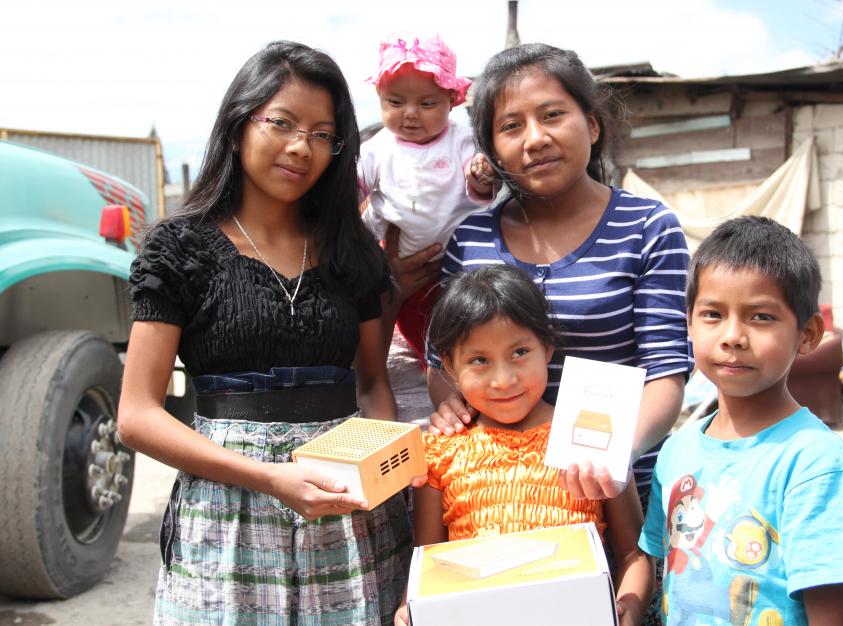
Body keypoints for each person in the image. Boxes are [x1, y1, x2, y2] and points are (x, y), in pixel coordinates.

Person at [117, 41, 414, 625]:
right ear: (237, 126)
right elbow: (137, 415)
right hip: (226, 519)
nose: (302, 146)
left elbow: (373, 385)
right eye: (282, 122)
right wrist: (273, 478)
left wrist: (383, 493)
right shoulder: (179, 249)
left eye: (324, 134)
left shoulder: (352, 251)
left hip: (348, 514)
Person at [424, 43, 692, 506]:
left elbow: (665, 373)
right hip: (499, 498)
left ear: (591, 124)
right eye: (511, 126)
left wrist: (613, 456)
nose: (535, 138)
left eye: (551, 115)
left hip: (623, 491)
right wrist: (448, 402)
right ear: (492, 151)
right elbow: (441, 361)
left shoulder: (648, 227)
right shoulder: (470, 239)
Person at [639, 216, 843, 625]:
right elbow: (659, 567)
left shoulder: (814, 463)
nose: (733, 336)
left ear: (808, 334)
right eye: (712, 314)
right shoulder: (676, 451)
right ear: (687, 323)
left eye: (760, 317)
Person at [394, 265, 653, 626]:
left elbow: (633, 553)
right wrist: (411, 608)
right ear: (450, 367)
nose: (503, 379)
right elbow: (427, 565)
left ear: (547, 346)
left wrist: (631, 606)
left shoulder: (589, 440)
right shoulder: (440, 453)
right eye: (479, 360)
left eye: (519, 352)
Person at [359, 33, 494, 360]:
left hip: (460, 265)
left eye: (426, 103)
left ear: (452, 100)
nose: (410, 114)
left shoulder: (461, 140)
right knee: (416, 324)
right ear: (380, 96)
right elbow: (355, 183)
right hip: (397, 258)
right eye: (395, 102)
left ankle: (457, 369)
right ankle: (430, 364)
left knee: (468, 322)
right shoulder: (378, 147)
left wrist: (479, 174)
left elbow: (477, 182)